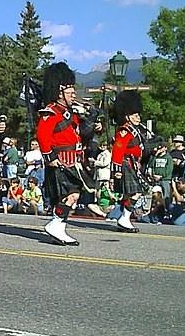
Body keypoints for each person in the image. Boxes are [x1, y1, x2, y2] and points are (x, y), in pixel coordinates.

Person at [36, 63, 102, 246]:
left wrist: (94, 127)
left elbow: (78, 134)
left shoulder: (70, 114)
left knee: (74, 195)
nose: (74, 94)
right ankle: (55, 225)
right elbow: (42, 136)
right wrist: (50, 157)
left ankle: (59, 227)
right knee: (71, 195)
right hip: (60, 160)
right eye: (70, 91)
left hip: (73, 161)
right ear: (59, 92)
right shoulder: (50, 112)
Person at [109, 90, 148, 234]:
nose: (138, 117)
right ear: (127, 116)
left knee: (130, 194)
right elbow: (118, 151)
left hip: (133, 164)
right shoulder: (124, 131)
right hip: (126, 164)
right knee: (135, 193)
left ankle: (124, 218)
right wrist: (116, 171)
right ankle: (124, 218)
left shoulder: (135, 130)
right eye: (135, 115)